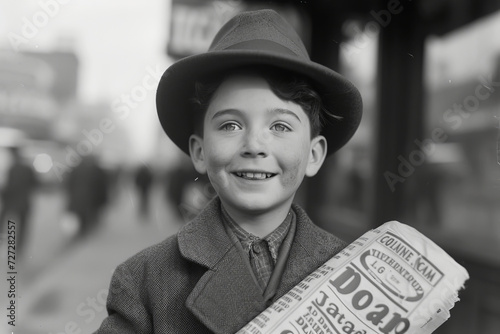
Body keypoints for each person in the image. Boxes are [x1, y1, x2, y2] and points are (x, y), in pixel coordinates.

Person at [95, 9, 362, 334]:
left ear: (314, 155)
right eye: (230, 125)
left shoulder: (353, 269)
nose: (254, 145)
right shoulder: (145, 281)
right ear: (200, 151)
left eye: (280, 126)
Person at [0, 146, 38, 256]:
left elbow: (7, 187)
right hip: (24, 203)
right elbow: (35, 184)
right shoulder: (27, 168)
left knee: (4, 225)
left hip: (10, 203)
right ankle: (18, 250)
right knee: (22, 228)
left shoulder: (11, 169)